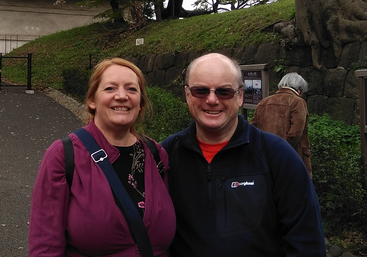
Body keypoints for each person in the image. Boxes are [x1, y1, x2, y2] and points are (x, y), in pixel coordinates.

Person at [161, 53, 325, 257]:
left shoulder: (277, 156)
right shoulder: (165, 155)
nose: (212, 100)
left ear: (240, 96)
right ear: (187, 94)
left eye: (224, 92)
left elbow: (307, 242)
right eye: (200, 90)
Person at [28, 58, 176, 256]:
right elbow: (45, 246)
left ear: (141, 103)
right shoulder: (64, 155)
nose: (122, 96)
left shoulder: (157, 154)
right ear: (92, 100)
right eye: (110, 88)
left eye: (132, 89)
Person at [250, 72, 313, 176]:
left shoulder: (264, 102)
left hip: (264, 155)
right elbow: (295, 133)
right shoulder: (298, 102)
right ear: (299, 90)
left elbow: (252, 127)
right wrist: (281, 150)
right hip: (290, 157)